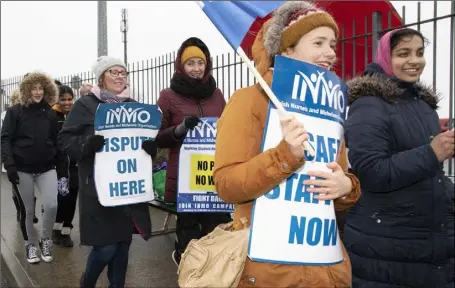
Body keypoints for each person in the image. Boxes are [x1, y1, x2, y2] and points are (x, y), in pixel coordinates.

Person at [213, 2, 361, 287]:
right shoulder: (250, 100)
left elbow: (341, 180)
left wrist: (346, 188)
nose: (331, 53)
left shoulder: (331, 108)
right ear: (286, 49)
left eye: (332, 44)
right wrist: (284, 156)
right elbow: (226, 184)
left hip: (326, 270)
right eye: (318, 42)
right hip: (270, 272)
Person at [343, 28, 454, 288]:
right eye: (403, 54)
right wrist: (432, 152)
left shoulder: (422, 104)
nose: (414, 61)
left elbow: (431, 174)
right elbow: (372, 172)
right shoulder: (368, 103)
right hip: (386, 248)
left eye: (419, 53)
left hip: (428, 245)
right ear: (384, 57)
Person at [57, 56, 157, 288]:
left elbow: (142, 141)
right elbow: (64, 140)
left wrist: (150, 149)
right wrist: (87, 144)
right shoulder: (86, 105)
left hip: (127, 188)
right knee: (106, 247)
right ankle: (87, 282)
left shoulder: (134, 105)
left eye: (123, 72)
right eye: (114, 72)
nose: (120, 76)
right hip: (99, 188)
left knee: (122, 246)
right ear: (101, 77)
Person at [155, 37, 232, 266]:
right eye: (191, 64)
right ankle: (187, 270)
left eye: (200, 63)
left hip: (213, 174)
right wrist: (179, 130)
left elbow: (227, 127)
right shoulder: (168, 95)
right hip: (185, 179)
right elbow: (159, 137)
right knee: (188, 238)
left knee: (216, 233)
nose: (196, 69)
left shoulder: (217, 94)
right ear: (181, 66)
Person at [1, 72, 62, 264]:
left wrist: (62, 168)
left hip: (47, 168)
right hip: (22, 169)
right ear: (27, 90)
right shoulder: (15, 112)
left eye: (41, 88)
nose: (37, 92)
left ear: (46, 90)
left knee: (52, 205)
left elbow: (57, 142)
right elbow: (5, 139)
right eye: (33, 88)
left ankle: (45, 240)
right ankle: (30, 245)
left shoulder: (51, 114)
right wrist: (9, 165)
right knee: (28, 210)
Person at [6, 88, 39, 224]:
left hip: (27, 157)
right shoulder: (8, 114)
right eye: (17, 100)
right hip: (13, 156)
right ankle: (21, 210)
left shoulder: (29, 114)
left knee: (30, 188)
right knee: (16, 187)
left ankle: (30, 212)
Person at [52, 85, 78, 247]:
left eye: (69, 99)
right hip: (58, 167)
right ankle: (56, 230)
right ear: (57, 100)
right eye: (63, 99)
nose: (67, 103)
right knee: (62, 199)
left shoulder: (77, 115)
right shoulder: (51, 116)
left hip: (75, 166)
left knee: (72, 199)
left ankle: (66, 232)